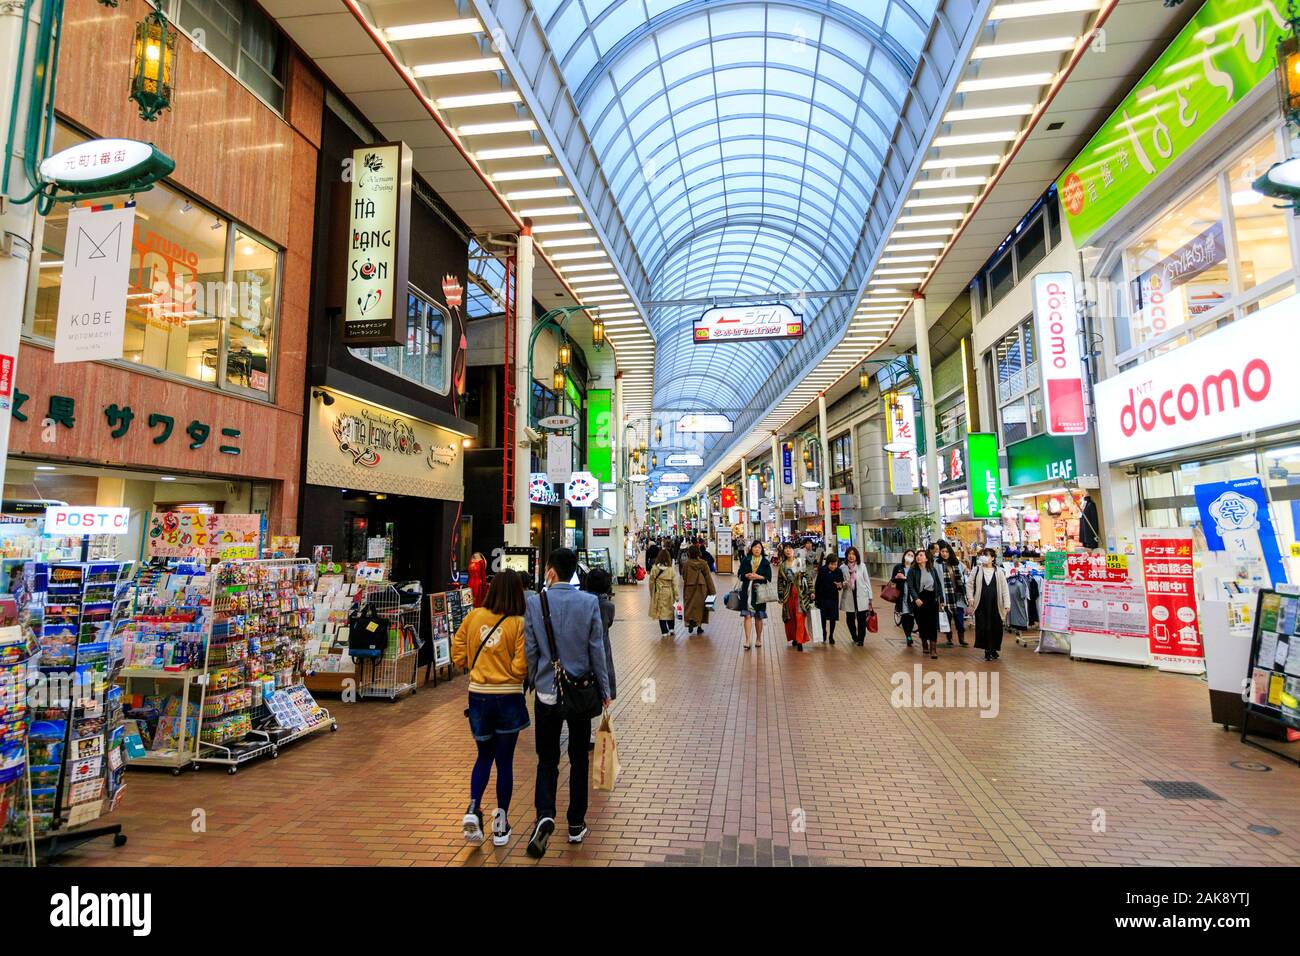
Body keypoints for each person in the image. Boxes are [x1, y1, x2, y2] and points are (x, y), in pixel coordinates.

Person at [523, 548, 611, 858]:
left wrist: (536, 679)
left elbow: (530, 651)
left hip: (548, 692)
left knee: (547, 758)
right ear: (574, 570)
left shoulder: (536, 604)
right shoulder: (588, 603)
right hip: (579, 692)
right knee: (578, 757)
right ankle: (576, 823)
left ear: (550, 571)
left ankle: (545, 814)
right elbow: (596, 651)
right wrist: (604, 689)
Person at [451, 568, 528, 848]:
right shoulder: (519, 623)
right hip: (508, 695)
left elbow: (457, 648)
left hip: (478, 696)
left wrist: (470, 664)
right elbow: (522, 664)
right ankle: (500, 823)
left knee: (483, 756)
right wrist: (512, 672)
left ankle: (473, 807)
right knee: (504, 761)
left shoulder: (474, 617)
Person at [969, 547, 1011, 662]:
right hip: (981, 604)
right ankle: (987, 650)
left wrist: (1007, 604)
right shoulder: (976, 570)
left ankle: (994, 649)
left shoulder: (999, 571)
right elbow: (969, 584)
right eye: (983, 555)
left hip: (996, 604)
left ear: (992, 558)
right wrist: (971, 598)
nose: (984, 557)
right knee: (984, 626)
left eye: (987, 555)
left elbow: (1004, 589)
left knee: (996, 627)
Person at [906, 547, 942, 659]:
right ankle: (924, 644)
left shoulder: (932, 569)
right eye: (917, 555)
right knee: (922, 623)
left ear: (926, 558)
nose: (918, 557)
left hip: (932, 599)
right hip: (920, 599)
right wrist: (916, 598)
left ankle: (933, 650)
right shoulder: (913, 570)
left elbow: (938, 584)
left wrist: (940, 599)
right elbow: (910, 586)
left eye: (921, 555)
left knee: (933, 624)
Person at [777, 541, 813, 652]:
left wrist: (811, 591)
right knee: (791, 617)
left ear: (794, 550)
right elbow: (780, 582)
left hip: (800, 594)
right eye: (786, 548)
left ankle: (800, 640)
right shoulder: (782, 566)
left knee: (800, 616)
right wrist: (781, 595)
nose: (788, 550)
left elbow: (807, 577)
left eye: (790, 548)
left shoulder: (800, 562)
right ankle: (794, 637)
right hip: (788, 595)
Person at [737, 541, 772, 651]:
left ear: (762, 550)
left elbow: (768, 578)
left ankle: (758, 638)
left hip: (759, 592)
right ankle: (747, 640)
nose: (757, 549)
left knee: (758, 616)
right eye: (755, 547)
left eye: (759, 547)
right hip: (746, 592)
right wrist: (746, 575)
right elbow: (739, 575)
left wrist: (758, 576)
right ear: (751, 549)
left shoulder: (765, 562)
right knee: (747, 616)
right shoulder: (746, 560)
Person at [936, 542, 969, 647]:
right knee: (947, 617)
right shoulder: (937, 564)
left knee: (959, 618)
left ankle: (961, 639)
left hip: (957, 595)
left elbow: (965, 571)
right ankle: (949, 638)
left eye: (946, 551)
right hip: (945, 595)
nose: (944, 554)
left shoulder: (956, 563)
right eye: (942, 551)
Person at [840, 546, 873, 646]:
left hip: (861, 595)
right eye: (849, 554)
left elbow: (867, 581)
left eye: (853, 554)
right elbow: (841, 583)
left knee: (861, 619)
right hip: (849, 595)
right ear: (846, 555)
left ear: (856, 556)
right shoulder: (842, 568)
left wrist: (870, 596)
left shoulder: (861, 566)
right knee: (850, 619)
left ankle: (861, 639)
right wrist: (845, 583)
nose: (851, 556)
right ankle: (854, 635)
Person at [681, 544, 716, 635]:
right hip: (701, 587)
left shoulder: (687, 564)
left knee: (690, 605)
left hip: (689, 587)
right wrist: (712, 591)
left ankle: (691, 621)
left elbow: (684, 576)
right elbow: (708, 577)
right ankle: (699, 626)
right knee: (701, 606)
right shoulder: (703, 563)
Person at [813, 552, 843, 645]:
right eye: (831, 564)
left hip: (833, 598)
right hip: (822, 598)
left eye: (835, 564)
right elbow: (817, 584)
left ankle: (831, 635)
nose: (833, 566)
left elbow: (840, 584)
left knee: (833, 618)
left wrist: (839, 586)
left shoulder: (838, 571)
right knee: (823, 618)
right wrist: (815, 596)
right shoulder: (822, 570)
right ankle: (824, 632)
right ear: (827, 563)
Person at [647, 548, 677, 636]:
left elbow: (651, 582)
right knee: (670, 610)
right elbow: (674, 584)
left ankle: (664, 631)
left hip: (659, 592)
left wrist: (652, 593)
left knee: (661, 611)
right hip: (669, 592)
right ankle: (671, 628)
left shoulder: (655, 568)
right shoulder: (671, 570)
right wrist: (676, 596)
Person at [890, 549, 916, 646]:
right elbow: (892, 580)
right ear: (904, 555)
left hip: (912, 597)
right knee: (905, 616)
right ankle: (908, 636)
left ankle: (909, 632)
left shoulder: (915, 568)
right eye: (908, 554)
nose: (909, 556)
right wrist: (897, 577)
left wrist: (904, 578)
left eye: (912, 555)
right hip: (902, 596)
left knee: (912, 617)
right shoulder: (898, 567)